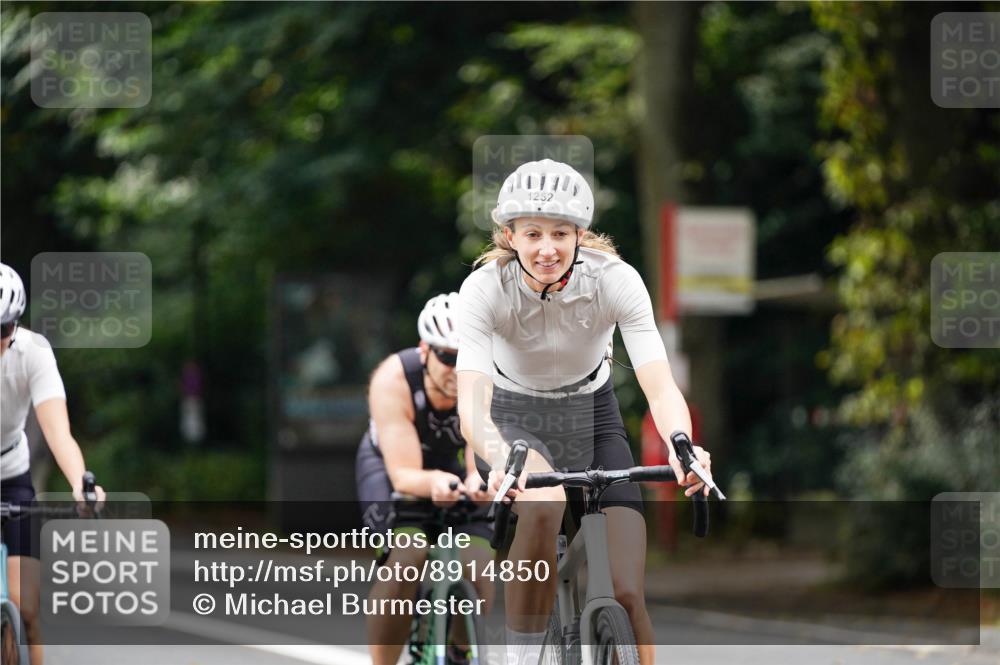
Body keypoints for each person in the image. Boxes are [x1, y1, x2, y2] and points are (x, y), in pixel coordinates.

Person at [455, 160, 715, 665]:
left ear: (580, 234)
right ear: (509, 235)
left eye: (560, 233)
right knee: (544, 503)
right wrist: (499, 458)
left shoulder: (615, 280)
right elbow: (473, 406)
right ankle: (523, 656)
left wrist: (682, 445)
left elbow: (660, 387)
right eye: (532, 233)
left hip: (593, 418)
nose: (547, 248)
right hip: (515, 422)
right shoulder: (485, 289)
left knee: (627, 594)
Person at [355, 292, 495, 665]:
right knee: (408, 557)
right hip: (392, 468)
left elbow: (479, 450)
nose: (456, 368)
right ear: (424, 350)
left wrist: (477, 480)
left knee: (478, 566)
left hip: (450, 469)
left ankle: (461, 652)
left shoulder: (481, 380)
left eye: (465, 358)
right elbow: (403, 475)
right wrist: (434, 483)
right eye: (447, 357)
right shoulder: (393, 379)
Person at [0, 262, 107, 665]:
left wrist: (81, 485)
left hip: (12, 475)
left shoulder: (34, 352)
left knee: (26, 608)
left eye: (3, 330)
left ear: (15, 325)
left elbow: (58, 432)